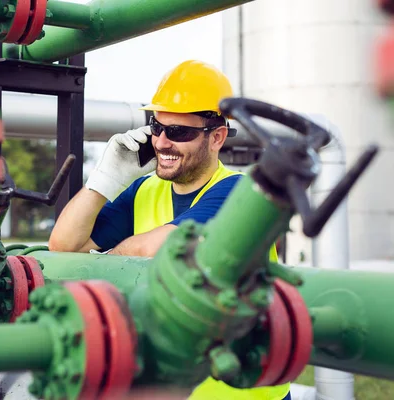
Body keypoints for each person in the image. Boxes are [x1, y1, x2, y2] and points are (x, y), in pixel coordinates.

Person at [48, 60, 290, 400]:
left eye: (179, 132)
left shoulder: (240, 192)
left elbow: (159, 249)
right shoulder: (144, 189)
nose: (161, 142)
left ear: (217, 137)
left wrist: (99, 261)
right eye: (156, 127)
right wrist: (104, 180)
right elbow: (62, 245)